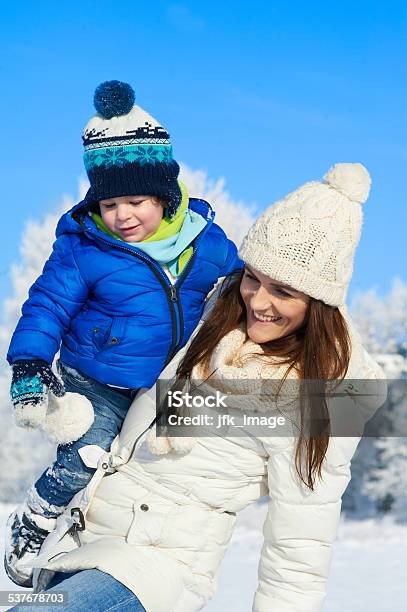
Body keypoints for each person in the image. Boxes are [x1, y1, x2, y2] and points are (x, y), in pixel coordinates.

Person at [12, 163, 386, 612]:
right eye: (254, 278)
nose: (259, 302)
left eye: (283, 291)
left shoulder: (325, 394)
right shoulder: (213, 314)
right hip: (75, 546)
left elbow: (300, 546)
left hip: (151, 570)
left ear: (319, 300)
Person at [5, 80, 241, 587]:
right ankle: (35, 522)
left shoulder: (205, 243)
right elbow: (47, 303)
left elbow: (245, 282)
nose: (123, 216)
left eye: (136, 201)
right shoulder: (85, 248)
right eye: (110, 205)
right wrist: (28, 363)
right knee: (87, 453)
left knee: (157, 466)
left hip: (162, 385)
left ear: (163, 195)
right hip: (95, 377)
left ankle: (113, 542)